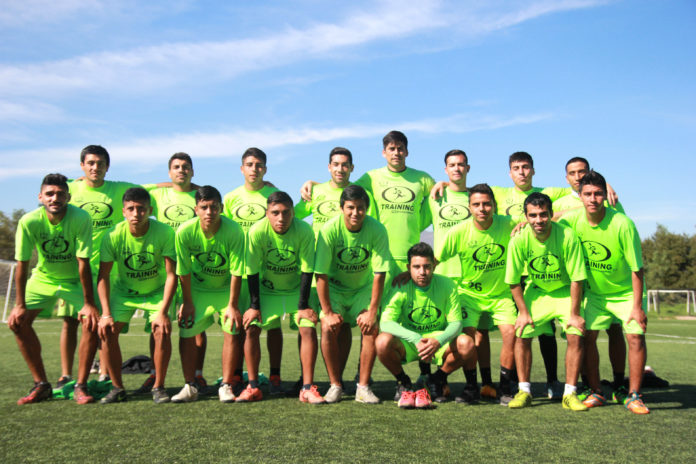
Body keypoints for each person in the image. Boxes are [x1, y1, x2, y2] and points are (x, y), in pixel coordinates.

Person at [559, 171, 649, 414]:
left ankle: (634, 395)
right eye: (587, 194)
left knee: (635, 336)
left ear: (604, 196)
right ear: (579, 196)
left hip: (624, 292)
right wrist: (525, 222)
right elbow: (549, 221)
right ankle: (597, 390)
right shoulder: (572, 221)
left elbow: (637, 268)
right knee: (586, 336)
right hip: (595, 294)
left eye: (598, 194)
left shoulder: (622, 223)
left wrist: (637, 306)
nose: (593, 199)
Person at [9, 173, 99, 405]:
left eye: (60, 194)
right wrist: (19, 305)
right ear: (40, 197)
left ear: (69, 197)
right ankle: (41, 384)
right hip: (43, 279)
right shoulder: (29, 221)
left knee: (91, 321)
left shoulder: (81, 218)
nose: (55, 198)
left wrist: (88, 304)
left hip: (74, 281)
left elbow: (83, 263)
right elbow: (22, 264)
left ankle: (81, 385)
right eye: (49, 194)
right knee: (18, 322)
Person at [60, 145, 138, 387]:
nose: (96, 167)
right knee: (70, 321)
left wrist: (194, 189)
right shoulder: (70, 189)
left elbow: (155, 189)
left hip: (108, 270)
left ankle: (105, 374)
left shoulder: (119, 189)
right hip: (74, 268)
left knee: (106, 322)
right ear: (82, 165)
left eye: (101, 163)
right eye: (91, 163)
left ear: (108, 166)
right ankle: (66, 375)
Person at [553, 157, 628, 401]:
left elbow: (618, 225)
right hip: (580, 282)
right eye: (572, 173)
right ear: (567, 178)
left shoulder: (608, 198)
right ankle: (588, 384)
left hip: (609, 279)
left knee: (616, 330)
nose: (577, 176)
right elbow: (546, 215)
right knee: (583, 335)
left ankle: (619, 383)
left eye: (581, 172)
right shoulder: (561, 200)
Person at [435, 184, 518, 404]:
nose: (482, 208)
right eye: (477, 204)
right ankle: (472, 386)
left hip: (501, 296)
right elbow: (435, 259)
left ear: (494, 206)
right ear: (469, 207)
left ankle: (505, 386)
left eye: (487, 204)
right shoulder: (459, 232)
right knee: (468, 337)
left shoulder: (509, 224)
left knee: (511, 334)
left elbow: (539, 217)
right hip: (469, 295)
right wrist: (412, 281)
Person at [505, 193, 588, 410]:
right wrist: (523, 312)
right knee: (522, 332)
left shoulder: (567, 235)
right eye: (533, 215)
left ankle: (570, 393)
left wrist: (575, 313)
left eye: (543, 215)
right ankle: (524, 391)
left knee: (575, 334)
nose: (538, 220)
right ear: (526, 216)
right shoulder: (519, 238)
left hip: (564, 292)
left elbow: (577, 277)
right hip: (538, 291)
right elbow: (513, 281)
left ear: (551, 214)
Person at [138, 153, 210, 395]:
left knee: (195, 324)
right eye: (176, 168)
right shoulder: (157, 194)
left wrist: (194, 188)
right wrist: (170, 184)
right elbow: (138, 189)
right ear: (169, 172)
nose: (182, 171)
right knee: (158, 323)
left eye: (186, 167)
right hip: (165, 268)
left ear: (193, 171)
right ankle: (155, 375)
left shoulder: (199, 196)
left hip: (193, 267)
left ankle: (197, 375)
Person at [97, 187, 177, 404]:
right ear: (123, 211)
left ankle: (158, 386)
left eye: (141, 209)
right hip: (125, 292)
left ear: (149, 210)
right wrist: (105, 313)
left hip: (156, 291)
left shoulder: (165, 232)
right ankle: (117, 387)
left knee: (161, 329)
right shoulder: (112, 235)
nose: (136, 213)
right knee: (107, 330)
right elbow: (103, 276)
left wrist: (162, 311)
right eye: (131, 209)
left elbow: (172, 275)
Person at [242, 191, 322, 403]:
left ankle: (307, 387)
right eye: (275, 213)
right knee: (251, 326)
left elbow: (307, 269)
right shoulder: (257, 231)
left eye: (286, 213)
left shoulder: (304, 230)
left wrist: (303, 305)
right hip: (267, 291)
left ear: (293, 213)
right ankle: (253, 386)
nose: (281, 218)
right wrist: (253, 306)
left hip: (296, 290)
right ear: (267, 213)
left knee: (308, 327)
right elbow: (251, 270)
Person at [314, 185, 390, 403]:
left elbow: (379, 274)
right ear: (341, 208)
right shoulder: (329, 230)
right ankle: (335, 385)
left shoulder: (377, 230)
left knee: (370, 327)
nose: (355, 213)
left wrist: (373, 312)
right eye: (350, 208)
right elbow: (321, 274)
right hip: (335, 288)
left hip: (362, 288)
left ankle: (363, 388)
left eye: (360, 208)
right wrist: (327, 312)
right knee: (328, 327)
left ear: (366, 209)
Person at [376, 243, 475, 409]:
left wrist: (439, 340)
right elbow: (385, 323)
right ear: (408, 267)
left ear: (434, 266)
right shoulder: (400, 287)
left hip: (437, 342)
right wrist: (415, 338)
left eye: (427, 267)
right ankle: (403, 382)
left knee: (467, 343)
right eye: (416, 267)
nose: (422, 272)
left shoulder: (447, 285)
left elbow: (456, 324)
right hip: (410, 341)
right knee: (381, 342)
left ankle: (438, 379)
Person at [172, 186, 246, 403]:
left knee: (232, 328)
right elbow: (183, 271)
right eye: (204, 207)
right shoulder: (185, 232)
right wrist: (187, 302)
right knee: (186, 328)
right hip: (198, 290)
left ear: (221, 208)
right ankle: (190, 385)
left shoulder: (234, 231)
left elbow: (236, 271)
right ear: (195, 209)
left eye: (214, 207)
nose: (209, 212)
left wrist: (232, 305)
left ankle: (226, 385)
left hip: (225, 290)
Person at [222, 148, 283, 394]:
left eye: (259, 165)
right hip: (239, 271)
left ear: (265, 169)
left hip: (268, 272)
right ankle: (237, 373)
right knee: (239, 323)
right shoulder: (231, 198)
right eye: (249, 164)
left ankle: (276, 374)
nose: (254, 169)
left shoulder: (273, 194)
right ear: (242, 169)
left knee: (273, 326)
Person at [295, 147, 376, 236]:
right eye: (336, 164)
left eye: (344, 165)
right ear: (329, 167)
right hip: (320, 249)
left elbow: (372, 228)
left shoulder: (363, 195)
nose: (340, 170)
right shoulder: (314, 192)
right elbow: (292, 217)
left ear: (352, 168)